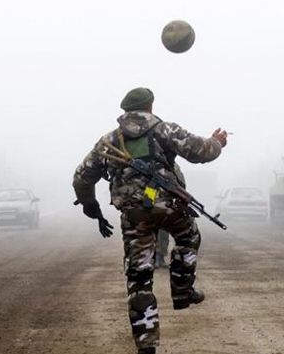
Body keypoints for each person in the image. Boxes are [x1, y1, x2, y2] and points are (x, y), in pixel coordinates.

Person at [73, 87, 227, 354]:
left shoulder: (109, 141)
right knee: (189, 236)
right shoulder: (164, 130)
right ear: (151, 107)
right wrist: (217, 142)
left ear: (125, 112)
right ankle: (182, 291)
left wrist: (91, 206)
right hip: (169, 208)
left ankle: (147, 347)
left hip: (135, 217)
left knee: (139, 279)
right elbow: (200, 151)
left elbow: (81, 178)